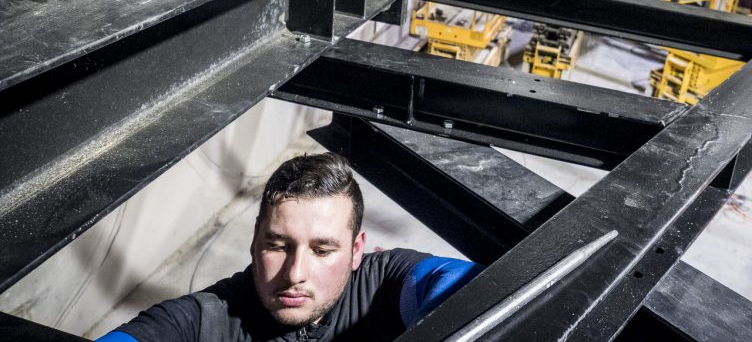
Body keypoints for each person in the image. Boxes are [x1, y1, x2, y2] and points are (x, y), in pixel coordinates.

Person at [97, 152, 481, 342]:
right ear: (254, 239)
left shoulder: (388, 285)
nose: (295, 274)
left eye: (323, 250)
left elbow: (468, 286)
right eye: (278, 245)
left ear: (356, 250)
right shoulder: (205, 321)